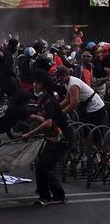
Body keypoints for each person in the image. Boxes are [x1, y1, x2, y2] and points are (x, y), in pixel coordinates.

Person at [23, 72, 71, 206]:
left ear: (43, 85)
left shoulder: (49, 100)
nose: (34, 85)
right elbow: (43, 118)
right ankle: (55, 195)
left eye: (37, 83)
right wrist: (31, 116)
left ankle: (46, 196)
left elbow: (48, 123)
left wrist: (29, 134)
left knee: (42, 166)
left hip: (61, 138)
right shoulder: (42, 99)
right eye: (34, 82)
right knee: (43, 166)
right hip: (53, 137)